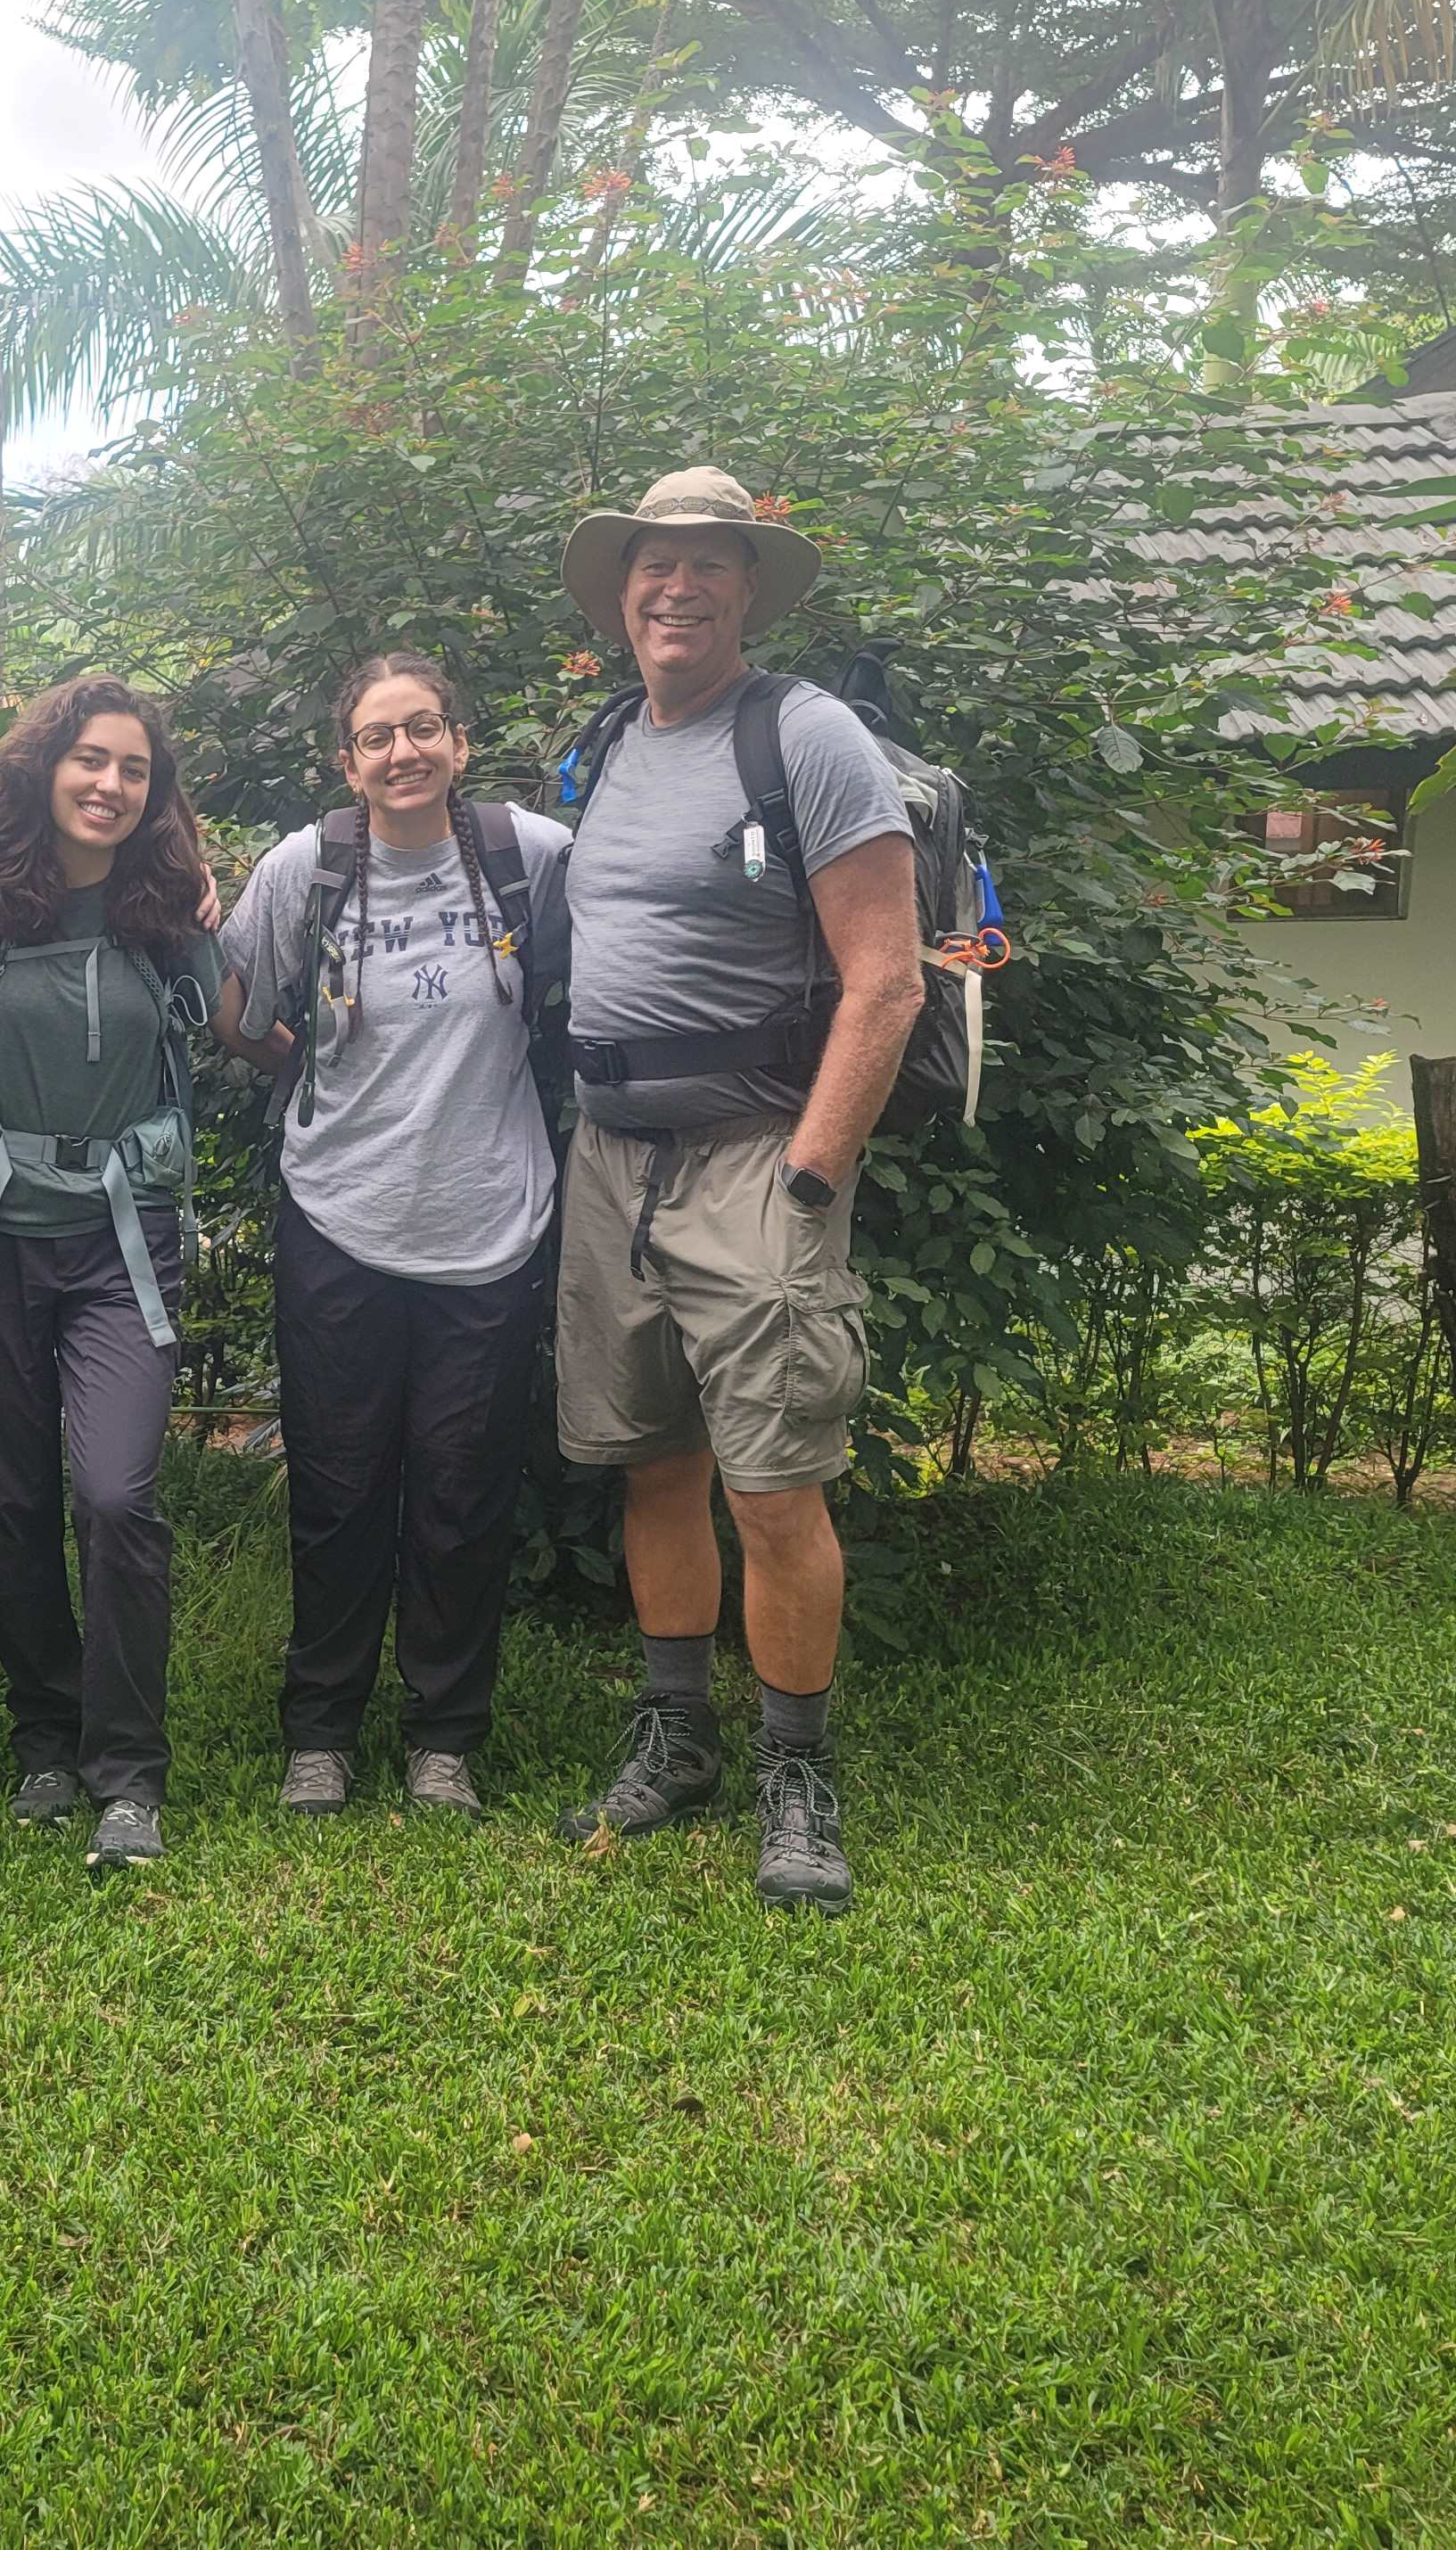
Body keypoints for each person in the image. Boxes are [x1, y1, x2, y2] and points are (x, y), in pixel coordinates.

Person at [546, 467, 924, 1913]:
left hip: (758, 1160)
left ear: (748, 590)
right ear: (621, 591)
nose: (678, 586)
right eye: (655, 563)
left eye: (709, 563)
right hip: (612, 1164)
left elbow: (887, 978)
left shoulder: (809, 737)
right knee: (655, 1466)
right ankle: (677, 1737)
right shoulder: (610, 746)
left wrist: (815, 1171)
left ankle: (798, 1773)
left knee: (775, 1490)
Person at [211, 653, 569, 1822]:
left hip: (492, 1225)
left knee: (465, 1493)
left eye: (425, 729)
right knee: (335, 1485)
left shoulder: (530, 859)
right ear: (347, 760)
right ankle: (320, 1732)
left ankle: (443, 1743)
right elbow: (237, 1013)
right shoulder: (304, 868)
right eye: (378, 737)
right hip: (339, 1218)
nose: (403, 752)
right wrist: (307, 1064)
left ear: (460, 743)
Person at [0, 677, 220, 1878]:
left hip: (123, 1244)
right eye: (92, 760)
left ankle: (128, 1770)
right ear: (45, 765)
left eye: (134, 770)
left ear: (154, 794)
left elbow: (237, 1015)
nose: (110, 785)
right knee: (12, 1499)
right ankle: (46, 1734)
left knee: (116, 1493)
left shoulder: (170, 911)